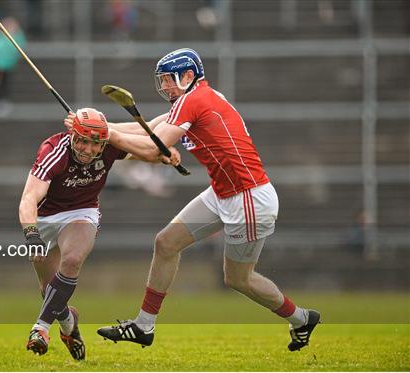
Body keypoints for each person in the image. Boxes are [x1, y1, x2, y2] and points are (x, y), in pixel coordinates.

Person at [97, 48, 321, 352]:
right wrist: (98, 126)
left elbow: (152, 148)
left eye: (168, 80)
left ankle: (301, 318)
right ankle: (143, 326)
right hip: (222, 192)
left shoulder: (195, 100)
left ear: (188, 76)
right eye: (161, 81)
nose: (164, 87)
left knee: (239, 279)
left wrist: (103, 133)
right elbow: (148, 129)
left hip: (249, 198)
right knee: (166, 243)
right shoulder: (192, 99)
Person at [18, 108, 180, 360]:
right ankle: (68, 324)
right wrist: (31, 235)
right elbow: (29, 197)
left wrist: (163, 154)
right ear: (72, 134)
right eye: (82, 140)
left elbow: (146, 146)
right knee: (49, 290)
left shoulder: (109, 146)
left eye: (95, 144)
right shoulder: (53, 150)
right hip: (45, 216)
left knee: (71, 260)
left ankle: (40, 329)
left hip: (81, 212)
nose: (87, 149)